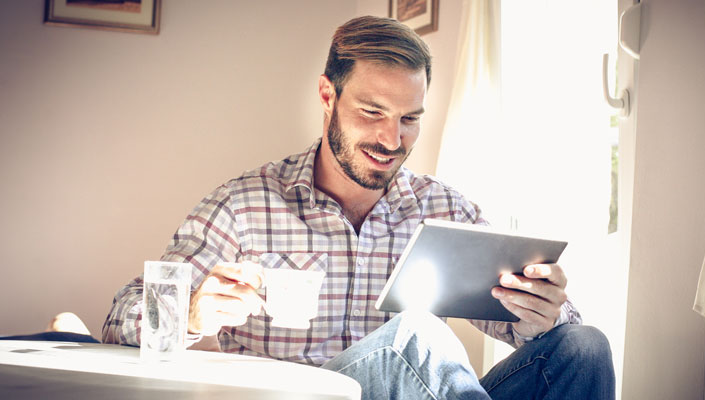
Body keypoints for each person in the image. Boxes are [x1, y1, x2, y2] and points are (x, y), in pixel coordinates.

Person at [102, 15, 615, 399]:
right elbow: (121, 316)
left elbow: (542, 331)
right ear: (328, 96)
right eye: (372, 112)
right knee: (412, 336)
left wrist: (544, 313)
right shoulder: (245, 205)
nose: (392, 139)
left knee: (583, 345)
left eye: (409, 119)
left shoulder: (444, 209)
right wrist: (192, 312)